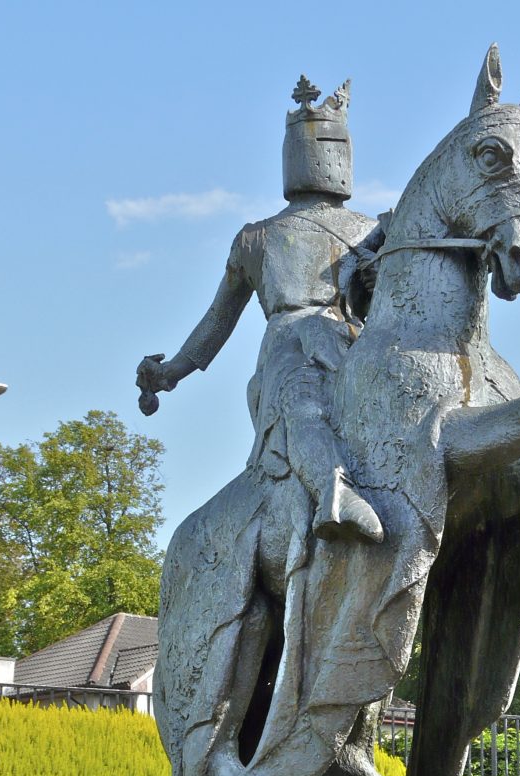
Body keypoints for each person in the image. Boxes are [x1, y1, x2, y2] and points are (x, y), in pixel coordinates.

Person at [136, 76, 384, 543]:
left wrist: (375, 284)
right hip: (290, 349)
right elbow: (218, 319)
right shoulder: (257, 238)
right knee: (302, 402)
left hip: (357, 343)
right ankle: (335, 494)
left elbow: (392, 304)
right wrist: (170, 374)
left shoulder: (372, 229)